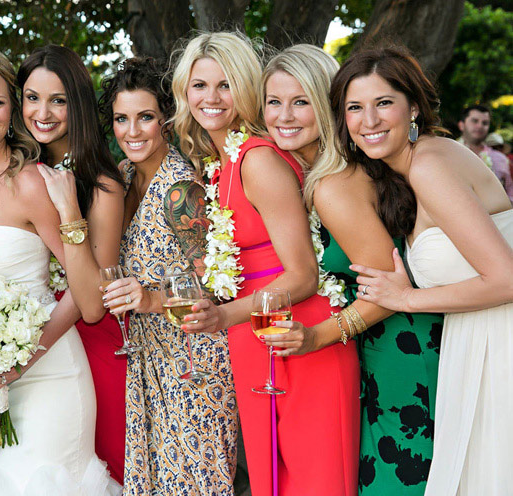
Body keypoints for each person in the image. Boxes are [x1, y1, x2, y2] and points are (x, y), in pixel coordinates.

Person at [171, 32, 360, 496]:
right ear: (184, 92)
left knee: (316, 479)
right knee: (273, 478)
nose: (210, 98)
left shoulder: (257, 160)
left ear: (246, 90)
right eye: (199, 86)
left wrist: (221, 316)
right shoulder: (222, 163)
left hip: (299, 332)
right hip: (252, 335)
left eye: (225, 85)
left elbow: (302, 274)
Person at [257, 45, 442, 495]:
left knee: (400, 481)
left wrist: (315, 337)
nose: (284, 115)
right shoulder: (335, 170)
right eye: (274, 102)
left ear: (327, 105)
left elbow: (390, 289)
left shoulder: (333, 185)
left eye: (301, 102)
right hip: (390, 346)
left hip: (401, 348)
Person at [0, 46, 117, 494]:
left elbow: (85, 289)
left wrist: (22, 359)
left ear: (11, 110)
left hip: (48, 371)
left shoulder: (33, 180)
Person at [335, 47, 513, 496]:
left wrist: (405, 298)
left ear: (413, 106)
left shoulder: (430, 166)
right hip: (478, 338)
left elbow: (507, 279)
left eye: (384, 103)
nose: (369, 120)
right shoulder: (417, 165)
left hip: (500, 339)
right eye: (355, 107)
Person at [98, 57, 238, 495]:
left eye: (145, 117)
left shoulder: (181, 191)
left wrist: (150, 299)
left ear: (166, 120)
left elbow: (220, 288)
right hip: (145, 358)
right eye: (122, 119)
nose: (132, 131)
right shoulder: (121, 177)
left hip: (192, 364)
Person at [16, 44, 128, 484]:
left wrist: (69, 212)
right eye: (32, 97)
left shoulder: (102, 184)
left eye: (58, 100)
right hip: (30, 342)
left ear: (77, 104)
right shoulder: (21, 171)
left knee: (96, 471)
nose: (42, 112)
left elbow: (94, 300)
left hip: (93, 347)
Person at [457, 105, 513, 200]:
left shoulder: (501, 158)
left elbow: (510, 191)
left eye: (485, 123)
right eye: (475, 121)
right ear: (461, 125)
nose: (480, 126)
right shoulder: (448, 154)